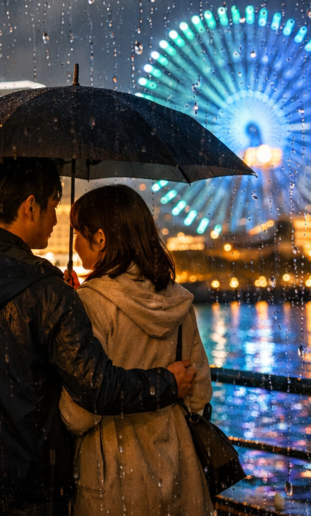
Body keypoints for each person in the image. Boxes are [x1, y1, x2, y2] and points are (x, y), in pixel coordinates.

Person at [0, 159, 197, 516]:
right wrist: (166, 383)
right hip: (29, 485)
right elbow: (94, 386)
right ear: (30, 207)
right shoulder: (47, 291)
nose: (55, 221)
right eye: (52, 207)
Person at [59, 185, 214, 516]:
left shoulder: (90, 304)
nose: (74, 242)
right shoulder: (179, 301)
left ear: (100, 239)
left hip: (112, 478)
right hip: (178, 469)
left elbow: (78, 415)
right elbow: (199, 396)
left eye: (77, 233)